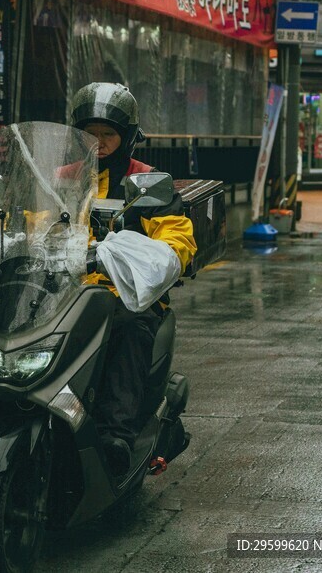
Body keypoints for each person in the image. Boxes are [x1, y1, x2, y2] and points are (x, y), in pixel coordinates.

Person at [70, 82, 197, 476]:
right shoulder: (63, 178)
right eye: (91, 133)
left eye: (108, 134)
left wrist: (160, 257)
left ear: (127, 137)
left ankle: (115, 434)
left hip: (124, 295)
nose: (100, 142)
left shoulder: (146, 181)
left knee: (128, 327)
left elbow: (177, 233)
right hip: (65, 290)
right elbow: (31, 222)